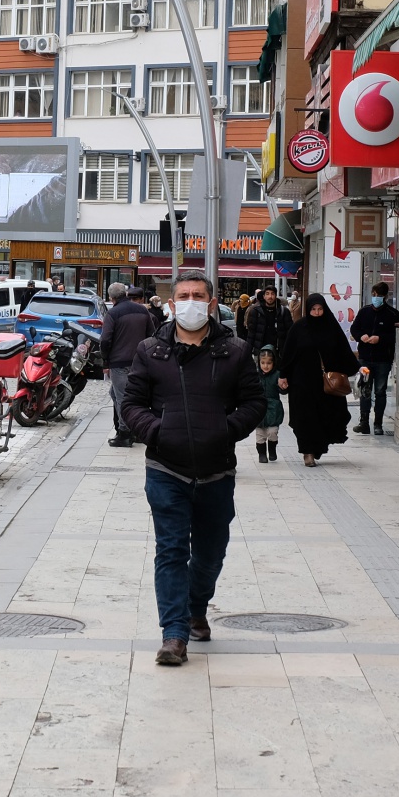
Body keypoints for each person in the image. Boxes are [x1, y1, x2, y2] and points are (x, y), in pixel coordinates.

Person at [121, 269, 264, 666]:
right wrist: (157, 432)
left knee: (210, 552)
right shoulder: (151, 350)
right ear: (171, 304)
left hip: (217, 470)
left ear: (211, 302)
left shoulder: (234, 350)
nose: (190, 302)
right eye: (182, 295)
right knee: (170, 550)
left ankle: (196, 606)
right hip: (166, 468)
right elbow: (131, 403)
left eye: (198, 295)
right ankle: (174, 634)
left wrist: (225, 430)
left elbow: (254, 403)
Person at [278, 295, 356, 467]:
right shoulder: (299, 328)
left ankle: (317, 447)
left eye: (320, 309)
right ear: (308, 309)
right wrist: (283, 374)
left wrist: (351, 369)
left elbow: (343, 350)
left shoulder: (331, 327)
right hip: (302, 382)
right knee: (305, 417)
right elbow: (288, 352)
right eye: (313, 309)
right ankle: (308, 452)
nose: (317, 313)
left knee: (323, 416)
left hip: (324, 384)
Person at [100, 282, 152, 448]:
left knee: (122, 397)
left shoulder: (113, 313)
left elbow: (105, 339)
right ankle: (134, 429)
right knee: (117, 394)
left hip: (119, 362)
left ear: (111, 297)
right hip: (140, 361)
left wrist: (105, 359)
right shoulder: (143, 310)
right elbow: (152, 335)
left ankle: (125, 433)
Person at [350, 282, 399, 435]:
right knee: (365, 389)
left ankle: (378, 424)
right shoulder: (364, 312)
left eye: (379, 296)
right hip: (365, 358)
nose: (376, 298)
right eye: (374, 295)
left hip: (383, 359)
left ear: (385, 297)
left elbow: (397, 335)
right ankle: (364, 422)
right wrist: (361, 336)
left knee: (380, 391)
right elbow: (355, 328)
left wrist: (379, 339)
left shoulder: (393, 314)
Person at [254, 345, 284, 463]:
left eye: (268, 363)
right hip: (259, 408)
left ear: (274, 363)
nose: (265, 366)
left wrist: (283, 387)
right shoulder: (255, 375)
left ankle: (272, 450)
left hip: (273, 409)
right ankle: (262, 454)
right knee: (260, 433)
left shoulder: (277, 375)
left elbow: (283, 390)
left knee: (272, 432)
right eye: (263, 363)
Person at [244, 287, 292, 356]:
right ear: (264, 296)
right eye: (267, 294)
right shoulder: (256, 311)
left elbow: (289, 332)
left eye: (272, 294)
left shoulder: (283, 311)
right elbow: (251, 334)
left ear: (276, 296)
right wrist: (248, 352)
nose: (270, 296)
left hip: (278, 352)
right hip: (260, 351)